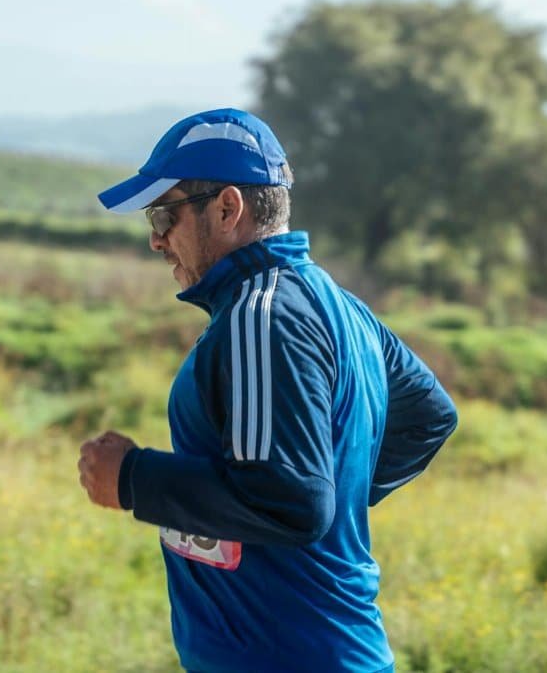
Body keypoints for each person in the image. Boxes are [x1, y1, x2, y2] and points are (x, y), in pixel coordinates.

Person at [78, 108, 458, 673]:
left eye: (164, 215)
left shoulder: (261, 316)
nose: (156, 240)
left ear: (228, 207)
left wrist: (132, 478)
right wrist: (332, 493)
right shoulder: (332, 303)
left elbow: (288, 500)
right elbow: (428, 414)